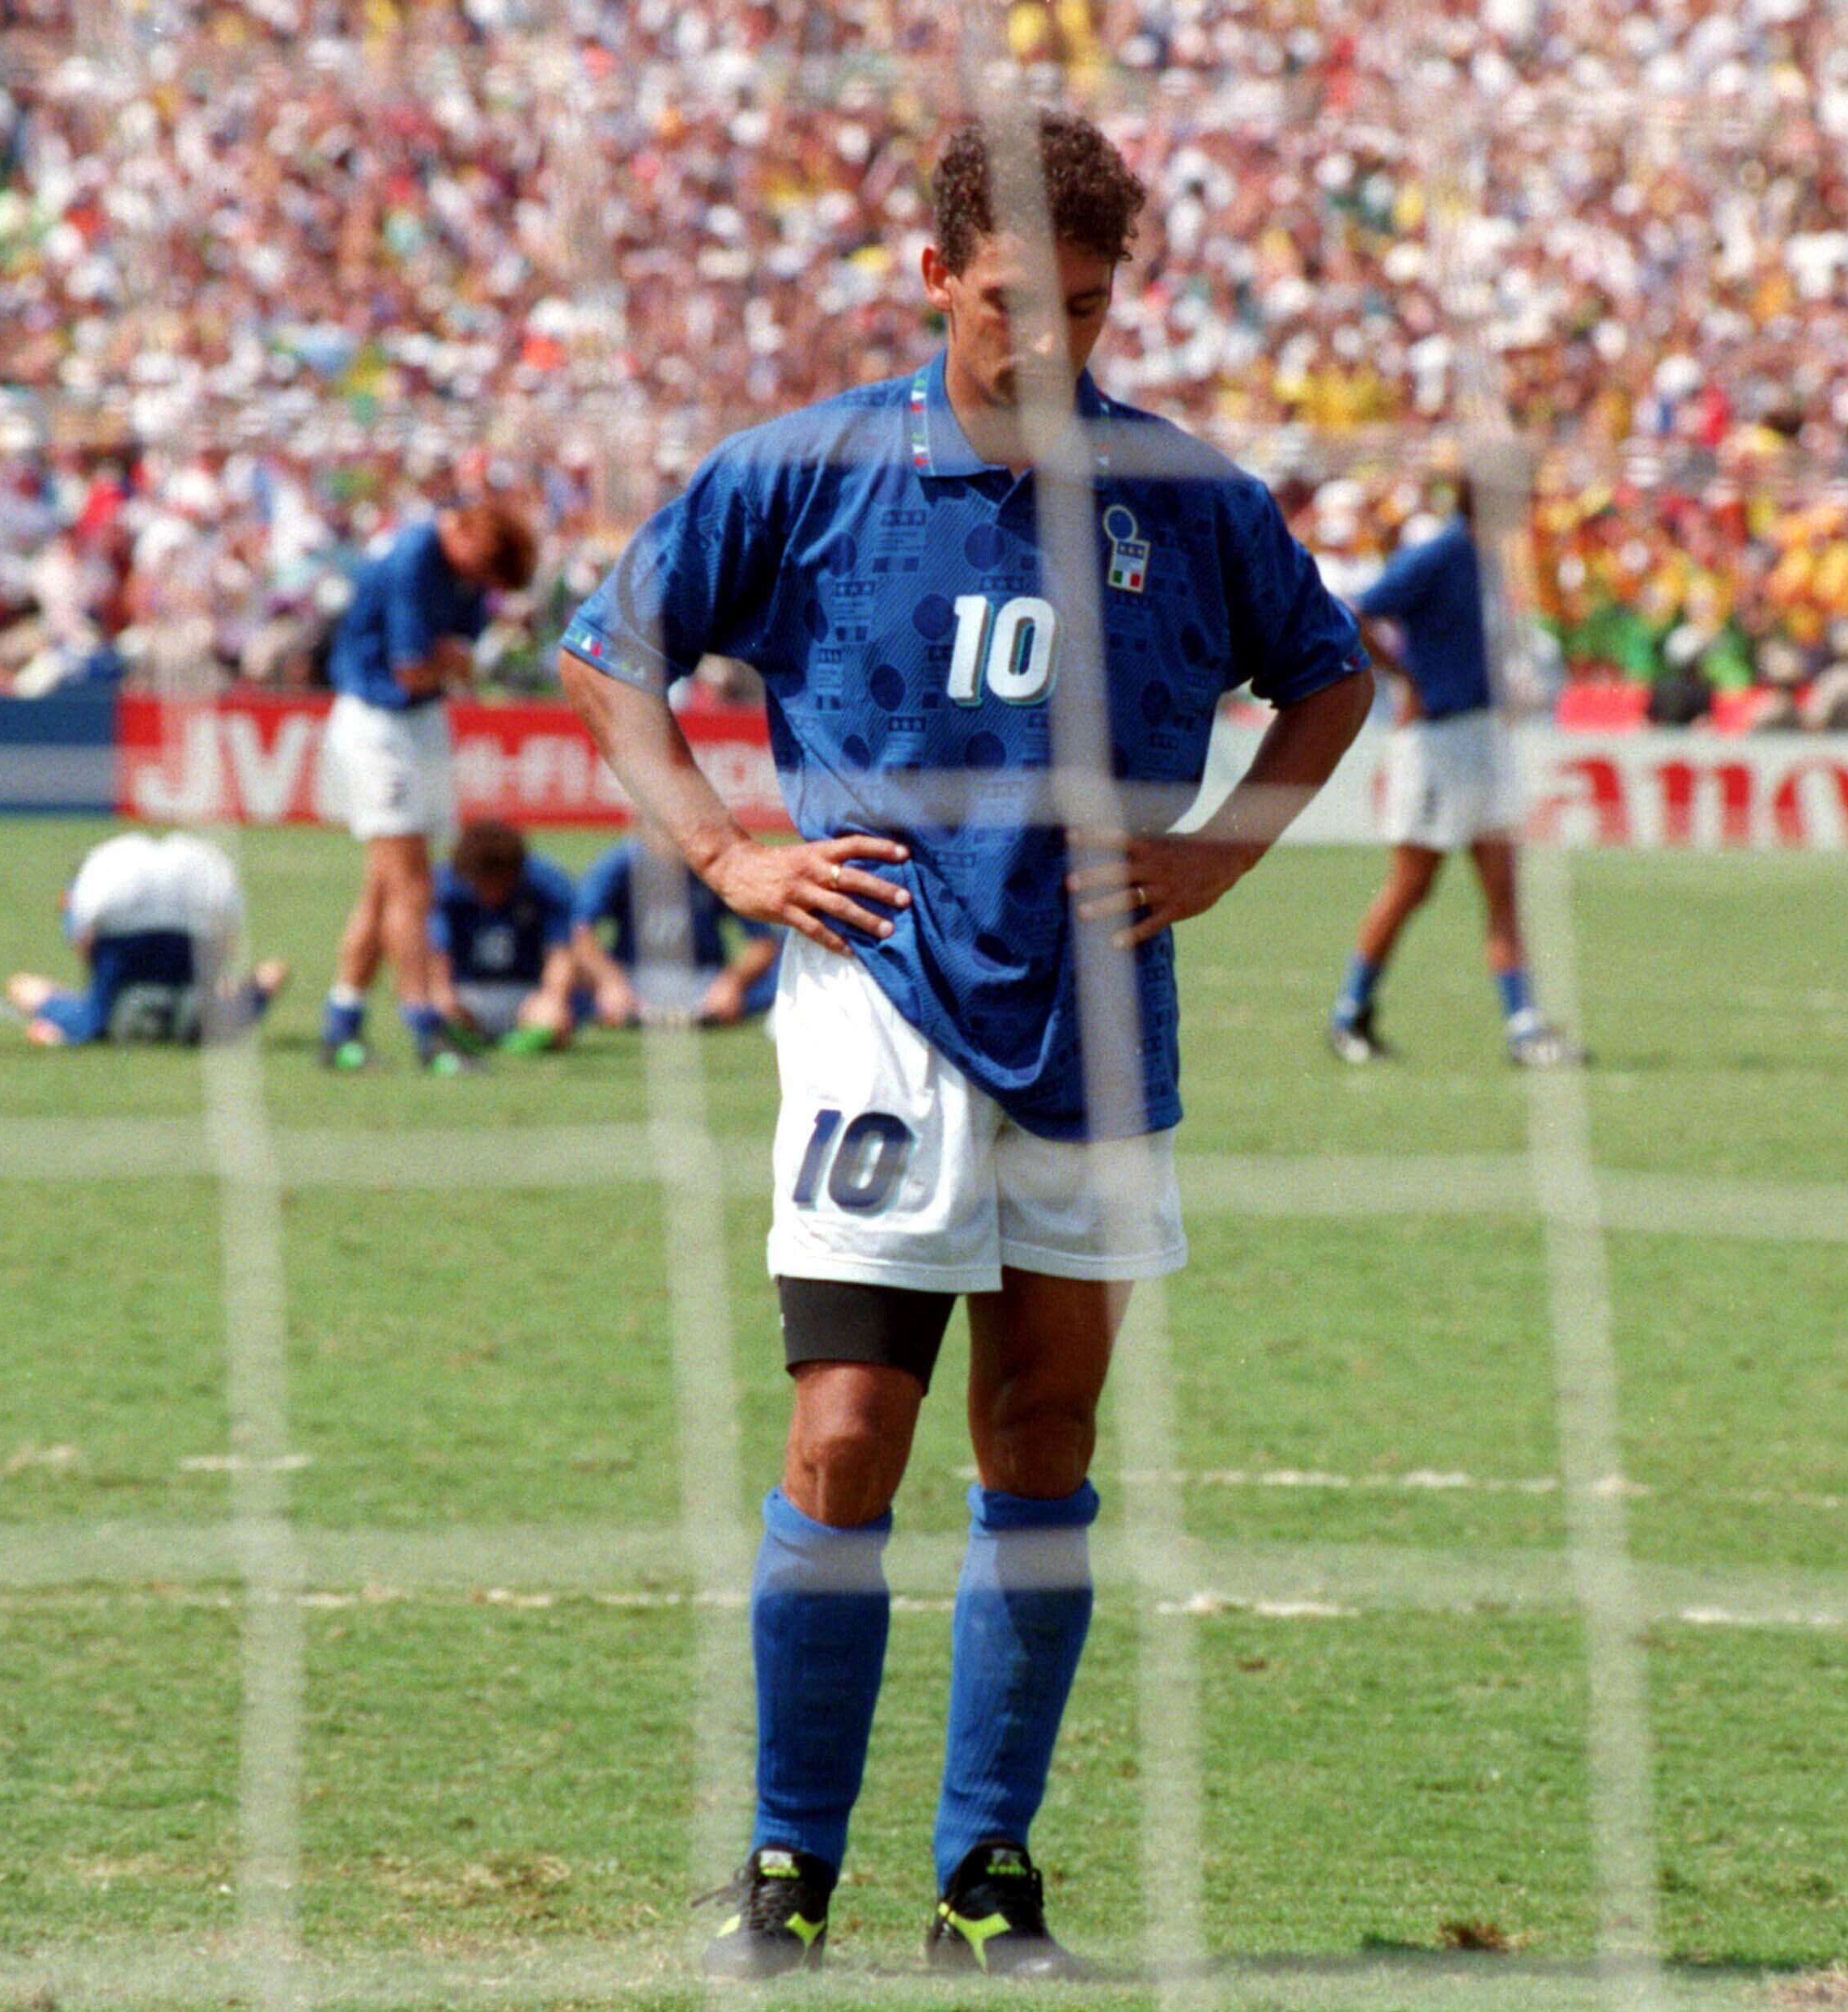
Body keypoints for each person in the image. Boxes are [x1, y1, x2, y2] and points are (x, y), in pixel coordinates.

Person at [559, 115, 1373, 1980]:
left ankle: (982, 1879)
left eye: (1085, 306)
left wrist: (1221, 850)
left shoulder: (1188, 499)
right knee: (847, 1431)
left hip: (1095, 1018)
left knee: (1042, 1430)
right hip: (878, 1009)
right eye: (1014, 303)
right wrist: (718, 848)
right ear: (934, 278)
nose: (1050, 342)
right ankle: (784, 1870)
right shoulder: (811, 470)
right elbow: (614, 649)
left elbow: (1327, 677)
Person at [1327, 483, 1585, 1068]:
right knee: (1412, 886)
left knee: (1502, 887)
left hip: (1485, 737)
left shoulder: (1490, 557)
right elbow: (1355, 611)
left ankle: (1525, 1029)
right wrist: (1403, 676)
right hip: (1437, 743)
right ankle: (1350, 1014)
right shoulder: (1439, 554)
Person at [315, 499, 537, 1075]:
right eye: (478, 571)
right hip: (377, 722)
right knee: (412, 884)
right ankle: (426, 1028)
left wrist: (449, 661)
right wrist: (449, 661)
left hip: (421, 720)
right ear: (463, 537)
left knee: (385, 887)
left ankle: (341, 1026)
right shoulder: (415, 557)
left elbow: (456, 660)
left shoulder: (463, 563)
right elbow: (415, 667)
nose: (476, 585)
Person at [3, 828, 287, 1046]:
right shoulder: (214, 1023)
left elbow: (31, 978)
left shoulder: (97, 1023)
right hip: (190, 905)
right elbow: (260, 964)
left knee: (40, 996)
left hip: (126, 912)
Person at [570, 826, 781, 1029]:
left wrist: (732, 982)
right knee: (568, 974)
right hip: (633, 977)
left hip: (703, 979)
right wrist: (610, 982)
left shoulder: (714, 865)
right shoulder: (620, 865)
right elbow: (581, 933)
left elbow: (763, 942)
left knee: (784, 970)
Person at [425, 818, 578, 1053]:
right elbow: (436, 954)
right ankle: (464, 1039)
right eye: (483, 885)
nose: (492, 894)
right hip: (465, 993)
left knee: (554, 1020)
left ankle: (515, 1046)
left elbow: (560, 954)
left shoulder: (547, 885)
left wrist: (554, 998)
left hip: (525, 994)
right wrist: (444, 998)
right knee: (437, 1014)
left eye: (500, 884)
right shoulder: (444, 888)